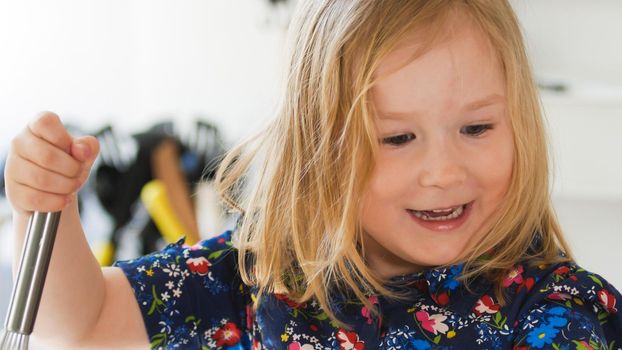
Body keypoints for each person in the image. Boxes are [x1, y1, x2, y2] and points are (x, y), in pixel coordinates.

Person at [4, 1, 621, 349]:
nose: (443, 170)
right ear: (320, 151)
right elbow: (81, 324)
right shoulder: (253, 281)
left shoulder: (561, 309)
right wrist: (44, 207)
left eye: (478, 129)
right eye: (398, 138)